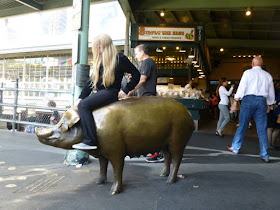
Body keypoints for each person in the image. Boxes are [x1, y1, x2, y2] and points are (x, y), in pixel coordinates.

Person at [72, 34, 140, 150]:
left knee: (84, 106)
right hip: (102, 93)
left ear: (106, 46)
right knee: (81, 104)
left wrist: (125, 90)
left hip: (111, 92)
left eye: (99, 47)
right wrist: (81, 97)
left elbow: (136, 74)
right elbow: (91, 81)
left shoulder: (119, 58)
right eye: (96, 48)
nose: (97, 51)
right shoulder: (99, 61)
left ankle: (90, 141)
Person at [228, 56, 275, 163]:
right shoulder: (268, 76)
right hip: (262, 101)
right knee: (262, 129)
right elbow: (271, 92)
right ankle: (265, 154)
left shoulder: (247, 73)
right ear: (261, 64)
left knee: (243, 125)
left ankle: (235, 148)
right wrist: (269, 104)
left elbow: (242, 88)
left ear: (252, 63)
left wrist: (235, 102)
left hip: (248, 100)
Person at [120, 44, 161, 163]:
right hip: (147, 97)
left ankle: (157, 152)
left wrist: (130, 91)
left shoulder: (147, 62)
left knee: (149, 127)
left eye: (137, 53)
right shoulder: (148, 62)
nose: (136, 56)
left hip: (147, 97)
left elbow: (142, 80)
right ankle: (153, 150)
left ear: (142, 52)